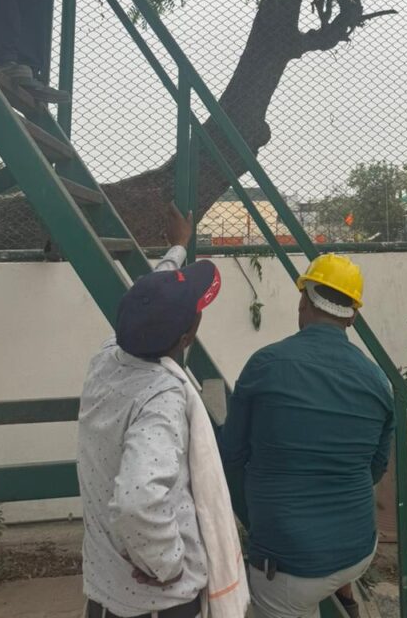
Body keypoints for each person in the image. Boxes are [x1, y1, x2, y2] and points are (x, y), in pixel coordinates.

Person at [78, 204, 249, 618]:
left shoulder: (108, 357)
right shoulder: (162, 399)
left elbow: (149, 295)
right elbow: (138, 501)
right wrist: (167, 564)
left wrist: (177, 249)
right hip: (158, 603)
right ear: (188, 334)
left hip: (106, 586)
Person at [221, 253, 395, 618]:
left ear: (303, 302)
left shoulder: (265, 365)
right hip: (358, 548)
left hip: (289, 565)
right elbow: (375, 469)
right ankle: (345, 599)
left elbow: (231, 455)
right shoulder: (378, 381)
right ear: (353, 316)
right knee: (328, 579)